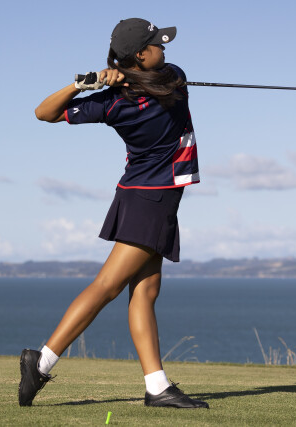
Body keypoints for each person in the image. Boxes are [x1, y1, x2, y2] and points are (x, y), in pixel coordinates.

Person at [22, 18, 207, 409]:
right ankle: (41, 362)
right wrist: (84, 83)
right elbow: (42, 112)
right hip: (150, 200)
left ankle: (157, 387)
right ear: (140, 54)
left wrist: (100, 84)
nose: (164, 48)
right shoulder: (139, 91)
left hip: (147, 197)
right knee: (107, 285)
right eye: (157, 43)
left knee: (145, 292)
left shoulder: (143, 89)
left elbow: (46, 113)